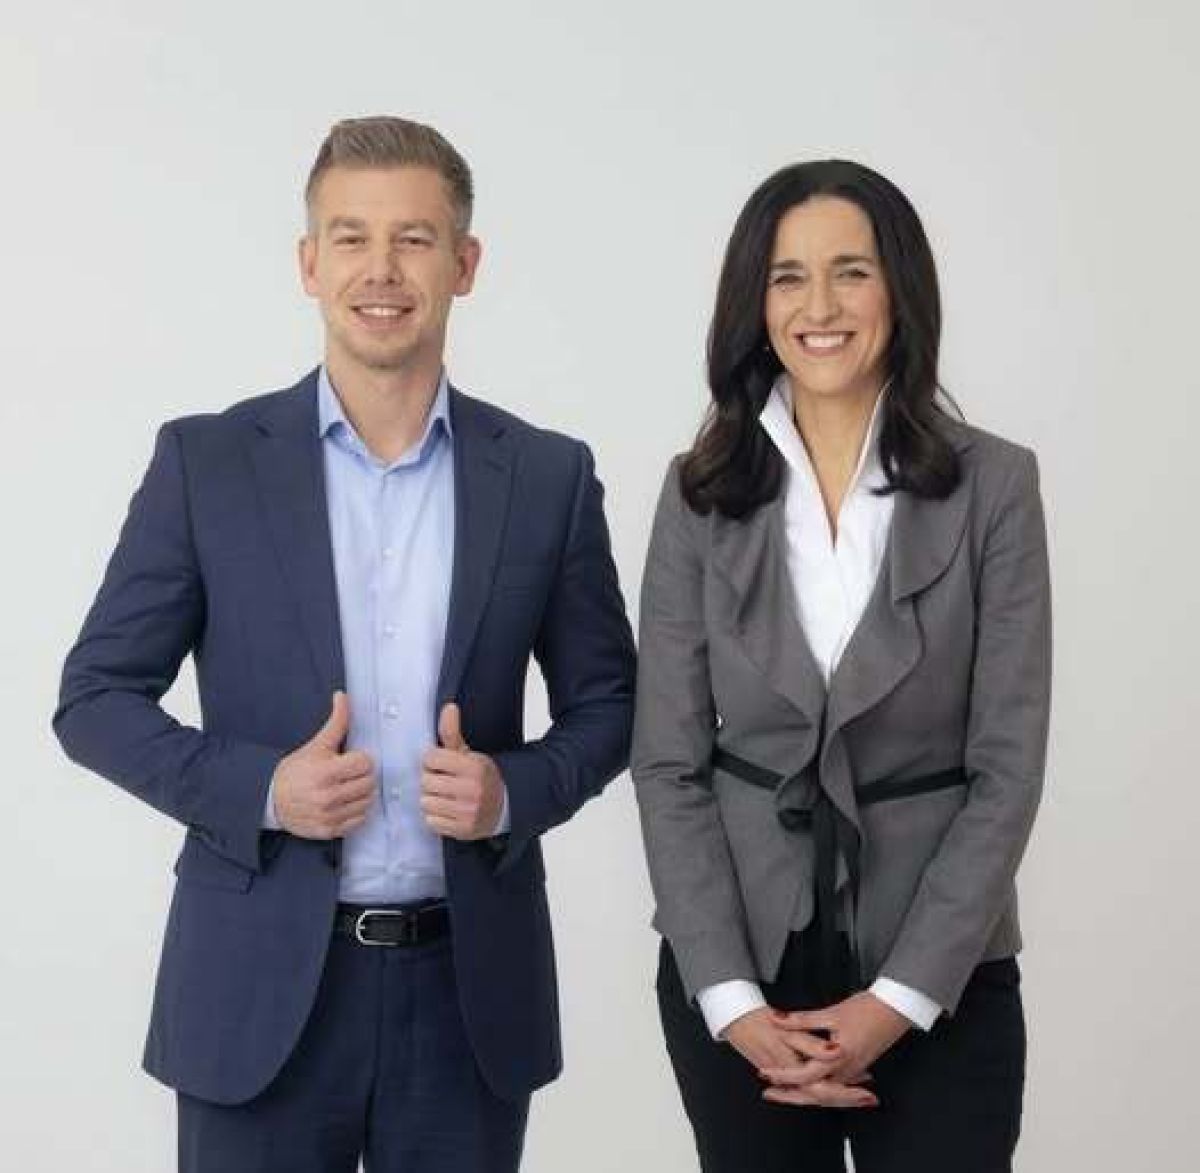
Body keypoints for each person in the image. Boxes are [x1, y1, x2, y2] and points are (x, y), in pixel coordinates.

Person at [54, 115, 636, 1173]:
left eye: (415, 239)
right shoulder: (207, 464)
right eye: (352, 237)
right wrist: (264, 791)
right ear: (309, 263)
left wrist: (511, 793)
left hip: (467, 999)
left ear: (465, 264)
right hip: (256, 994)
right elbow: (94, 698)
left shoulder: (546, 476)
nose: (382, 270)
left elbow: (611, 704)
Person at [633, 160, 1050, 1172]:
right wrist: (731, 1002)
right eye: (787, 277)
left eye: (850, 272)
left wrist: (897, 1001)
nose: (818, 307)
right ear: (754, 302)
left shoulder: (995, 485)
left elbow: (1007, 768)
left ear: (900, 290)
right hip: (740, 977)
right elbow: (668, 763)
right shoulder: (695, 494)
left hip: (941, 970)